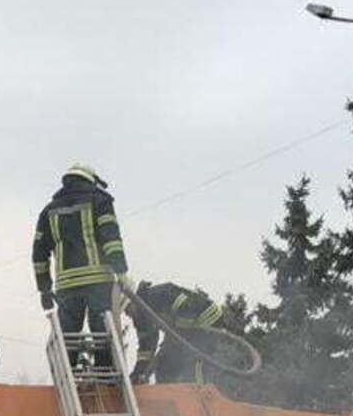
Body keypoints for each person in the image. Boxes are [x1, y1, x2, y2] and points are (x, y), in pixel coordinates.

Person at [32, 164, 128, 365]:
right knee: (102, 330)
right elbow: (110, 237)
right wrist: (121, 271)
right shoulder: (100, 201)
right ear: (90, 180)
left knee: (68, 334)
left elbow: (39, 254)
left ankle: (69, 374)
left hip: (66, 284)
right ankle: (106, 377)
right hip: (98, 280)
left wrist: (44, 289)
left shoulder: (48, 211)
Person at [127, 281, 224, 383]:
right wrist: (138, 373)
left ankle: (200, 393)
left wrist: (176, 336)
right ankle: (167, 393)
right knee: (165, 365)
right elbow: (146, 348)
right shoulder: (141, 320)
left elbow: (185, 306)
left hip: (207, 319)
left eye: (127, 307)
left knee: (193, 359)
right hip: (185, 330)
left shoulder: (156, 295)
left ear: (134, 300)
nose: (126, 313)